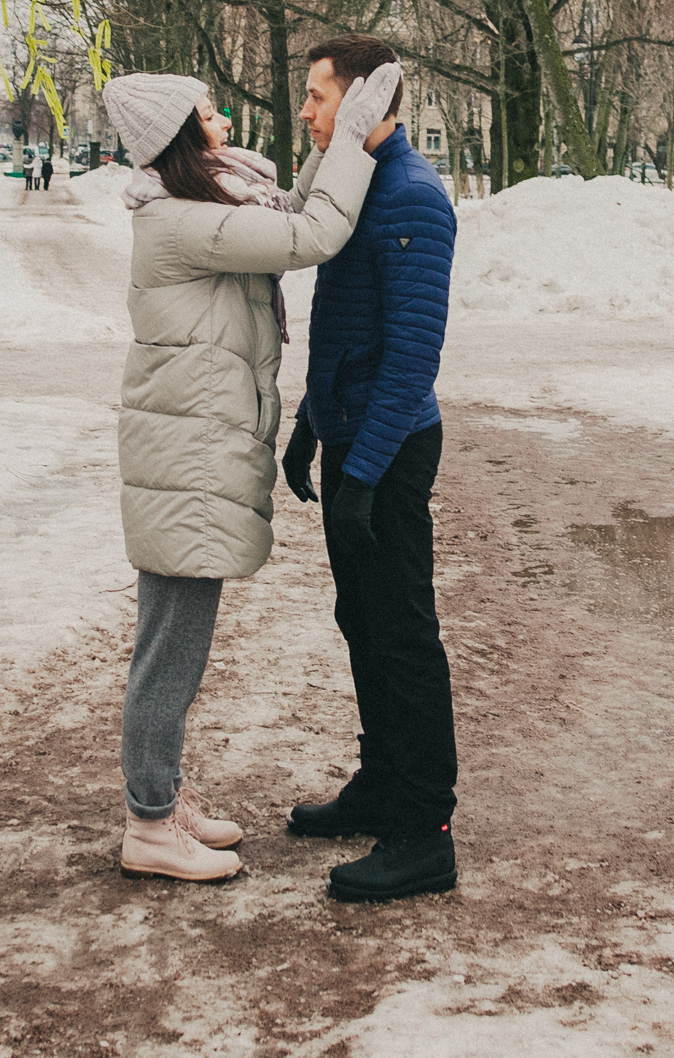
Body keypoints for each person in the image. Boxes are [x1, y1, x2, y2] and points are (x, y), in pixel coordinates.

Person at [99, 61, 403, 883]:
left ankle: (160, 794)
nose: (224, 124)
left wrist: (326, 152)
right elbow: (312, 237)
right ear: (180, 137)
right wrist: (346, 137)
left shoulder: (202, 207)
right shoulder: (182, 222)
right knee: (172, 649)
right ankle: (150, 825)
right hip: (186, 465)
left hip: (188, 457)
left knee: (172, 640)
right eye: (210, 115)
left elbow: (294, 212)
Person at [278, 34, 460, 903]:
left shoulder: (414, 197)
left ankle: (424, 831)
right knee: (364, 623)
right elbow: (345, 330)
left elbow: (410, 357)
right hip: (354, 439)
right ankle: (382, 784)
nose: (305, 112)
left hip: (390, 448)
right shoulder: (351, 185)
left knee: (404, 638)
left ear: (357, 101)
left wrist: (365, 474)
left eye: (317, 96)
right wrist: (313, 424)